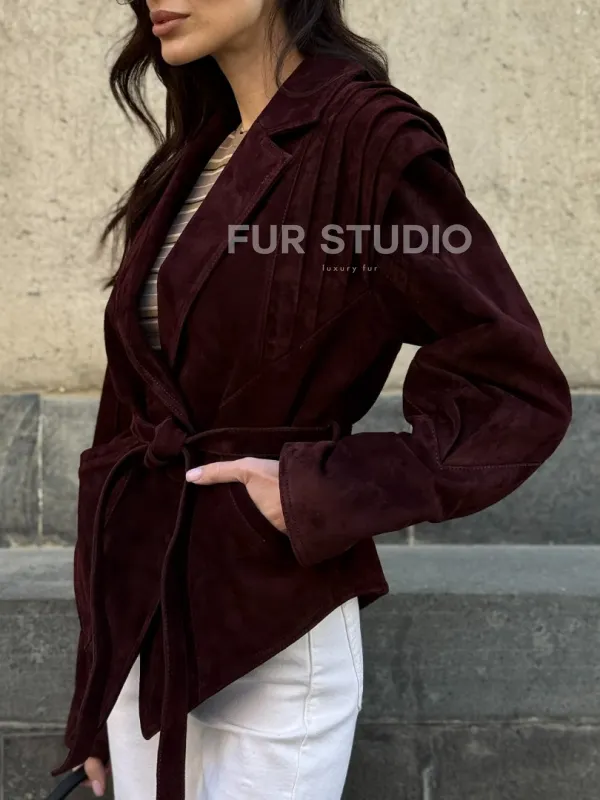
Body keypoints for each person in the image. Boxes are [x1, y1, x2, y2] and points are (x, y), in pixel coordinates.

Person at [50, 0, 572, 798]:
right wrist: (96, 686)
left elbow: (513, 388)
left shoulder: (370, 141)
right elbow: (126, 414)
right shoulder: (195, 156)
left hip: (271, 621)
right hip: (143, 627)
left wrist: (315, 489)